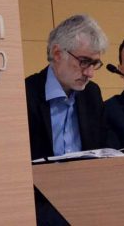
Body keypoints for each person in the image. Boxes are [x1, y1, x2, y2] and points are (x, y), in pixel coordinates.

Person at [24, 14, 110, 160]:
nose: (90, 74)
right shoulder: (26, 94)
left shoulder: (92, 93)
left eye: (94, 64)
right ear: (57, 54)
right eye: (84, 62)